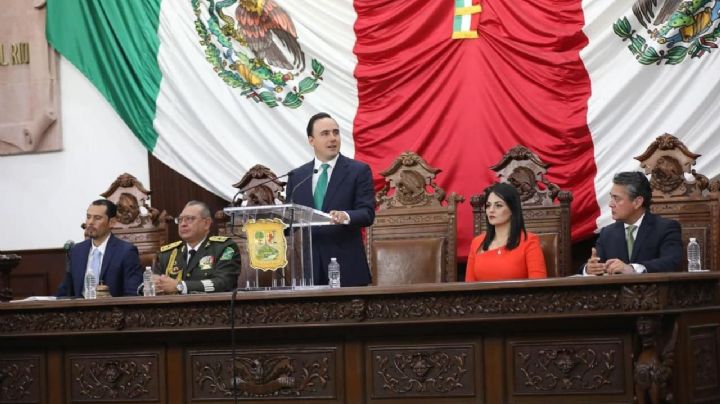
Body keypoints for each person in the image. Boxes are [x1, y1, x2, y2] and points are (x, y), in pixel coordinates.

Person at [285, 112, 375, 286]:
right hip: (308, 270)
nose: (333, 138)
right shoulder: (297, 176)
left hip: (347, 265)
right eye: (325, 134)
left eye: (336, 132)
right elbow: (289, 218)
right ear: (311, 140)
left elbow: (367, 213)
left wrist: (346, 216)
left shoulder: (358, 171)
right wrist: (266, 225)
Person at [584, 171, 682, 275]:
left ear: (637, 202)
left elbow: (670, 262)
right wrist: (589, 269)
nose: (610, 204)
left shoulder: (666, 228)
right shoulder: (607, 233)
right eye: (611, 197)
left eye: (616, 198)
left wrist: (632, 269)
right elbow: (595, 264)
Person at [56, 199, 142, 297]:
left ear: (112, 222)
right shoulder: (76, 251)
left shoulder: (126, 252)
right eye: (88, 217)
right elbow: (65, 292)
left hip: (113, 311)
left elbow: (132, 294)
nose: (90, 222)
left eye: (97, 218)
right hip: (80, 310)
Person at [152, 200, 241, 294]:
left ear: (207, 223)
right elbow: (146, 287)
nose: (183, 224)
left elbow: (224, 282)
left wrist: (180, 286)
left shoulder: (225, 248)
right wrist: (153, 285)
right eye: (180, 219)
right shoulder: (168, 254)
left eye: (189, 219)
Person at [465, 183, 547, 281]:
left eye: (498, 205)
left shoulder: (529, 241)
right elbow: (468, 287)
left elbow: (538, 286)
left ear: (512, 209)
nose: (491, 210)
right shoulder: (477, 242)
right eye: (488, 205)